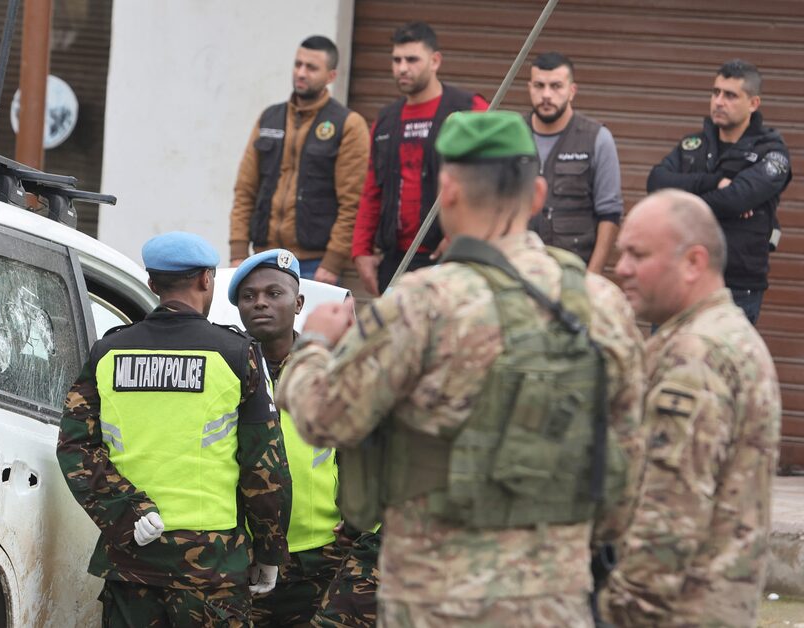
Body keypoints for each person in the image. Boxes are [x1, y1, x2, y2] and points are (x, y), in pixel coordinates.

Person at [277, 111, 647, 626]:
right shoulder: (602, 304)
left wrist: (315, 342)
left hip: (437, 599)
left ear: (446, 191)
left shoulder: (422, 302)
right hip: (554, 599)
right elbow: (627, 468)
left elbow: (323, 419)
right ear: (538, 195)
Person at [57, 231, 291, 627]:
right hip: (212, 567)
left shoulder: (108, 352)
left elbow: (74, 448)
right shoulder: (236, 354)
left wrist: (127, 511)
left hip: (133, 560)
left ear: (152, 284)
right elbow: (264, 466)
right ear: (205, 279)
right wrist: (270, 552)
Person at [601, 189, 782, 626]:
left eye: (638, 254)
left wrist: (614, 613)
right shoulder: (725, 334)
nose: (621, 268)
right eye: (621, 252)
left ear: (693, 262)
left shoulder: (696, 356)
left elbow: (668, 520)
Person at [230, 250, 379, 627]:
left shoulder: (329, 368)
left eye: (273, 293)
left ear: (298, 304)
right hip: (246, 555)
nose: (260, 302)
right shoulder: (227, 366)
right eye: (248, 296)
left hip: (321, 556)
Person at [647, 59, 792, 324]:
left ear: (753, 103)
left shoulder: (771, 153)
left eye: (730, 95)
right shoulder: (692, 146)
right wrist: (713, 182)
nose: (719, 102)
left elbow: (735, 199)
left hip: (736, 287)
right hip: (680, 279)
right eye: (715, 93)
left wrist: (681, 200)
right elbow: (656, 182)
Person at [351, 21, 489, 296]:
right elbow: (372, 190)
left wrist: (460, 235)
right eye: (397, 60)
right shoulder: (385, 120)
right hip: (395, 260)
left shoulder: (469, 109)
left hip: (451, 256)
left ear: (435, 61)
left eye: (412, 59)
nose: (402, 68)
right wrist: (361, 250)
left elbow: (490, 182)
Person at [229, 36, 370, 285]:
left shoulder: (348, 124)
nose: (301, 73)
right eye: (298, 64)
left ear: (331, 76)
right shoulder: (269, 118)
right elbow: (245, 189)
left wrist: (332, 262)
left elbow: (353, 202)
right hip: (263, 257)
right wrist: (238, 251)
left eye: (311, 67)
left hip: (314, 265)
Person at [525, 52, 623, 273]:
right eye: (539, 86)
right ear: (529, 88)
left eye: (556, 86)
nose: (546, 95)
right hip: (520, 271)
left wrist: (591, 277)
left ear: (572, 91)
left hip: (573, 273)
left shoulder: (597, 138)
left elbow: (610, 214)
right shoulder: (513, 136)